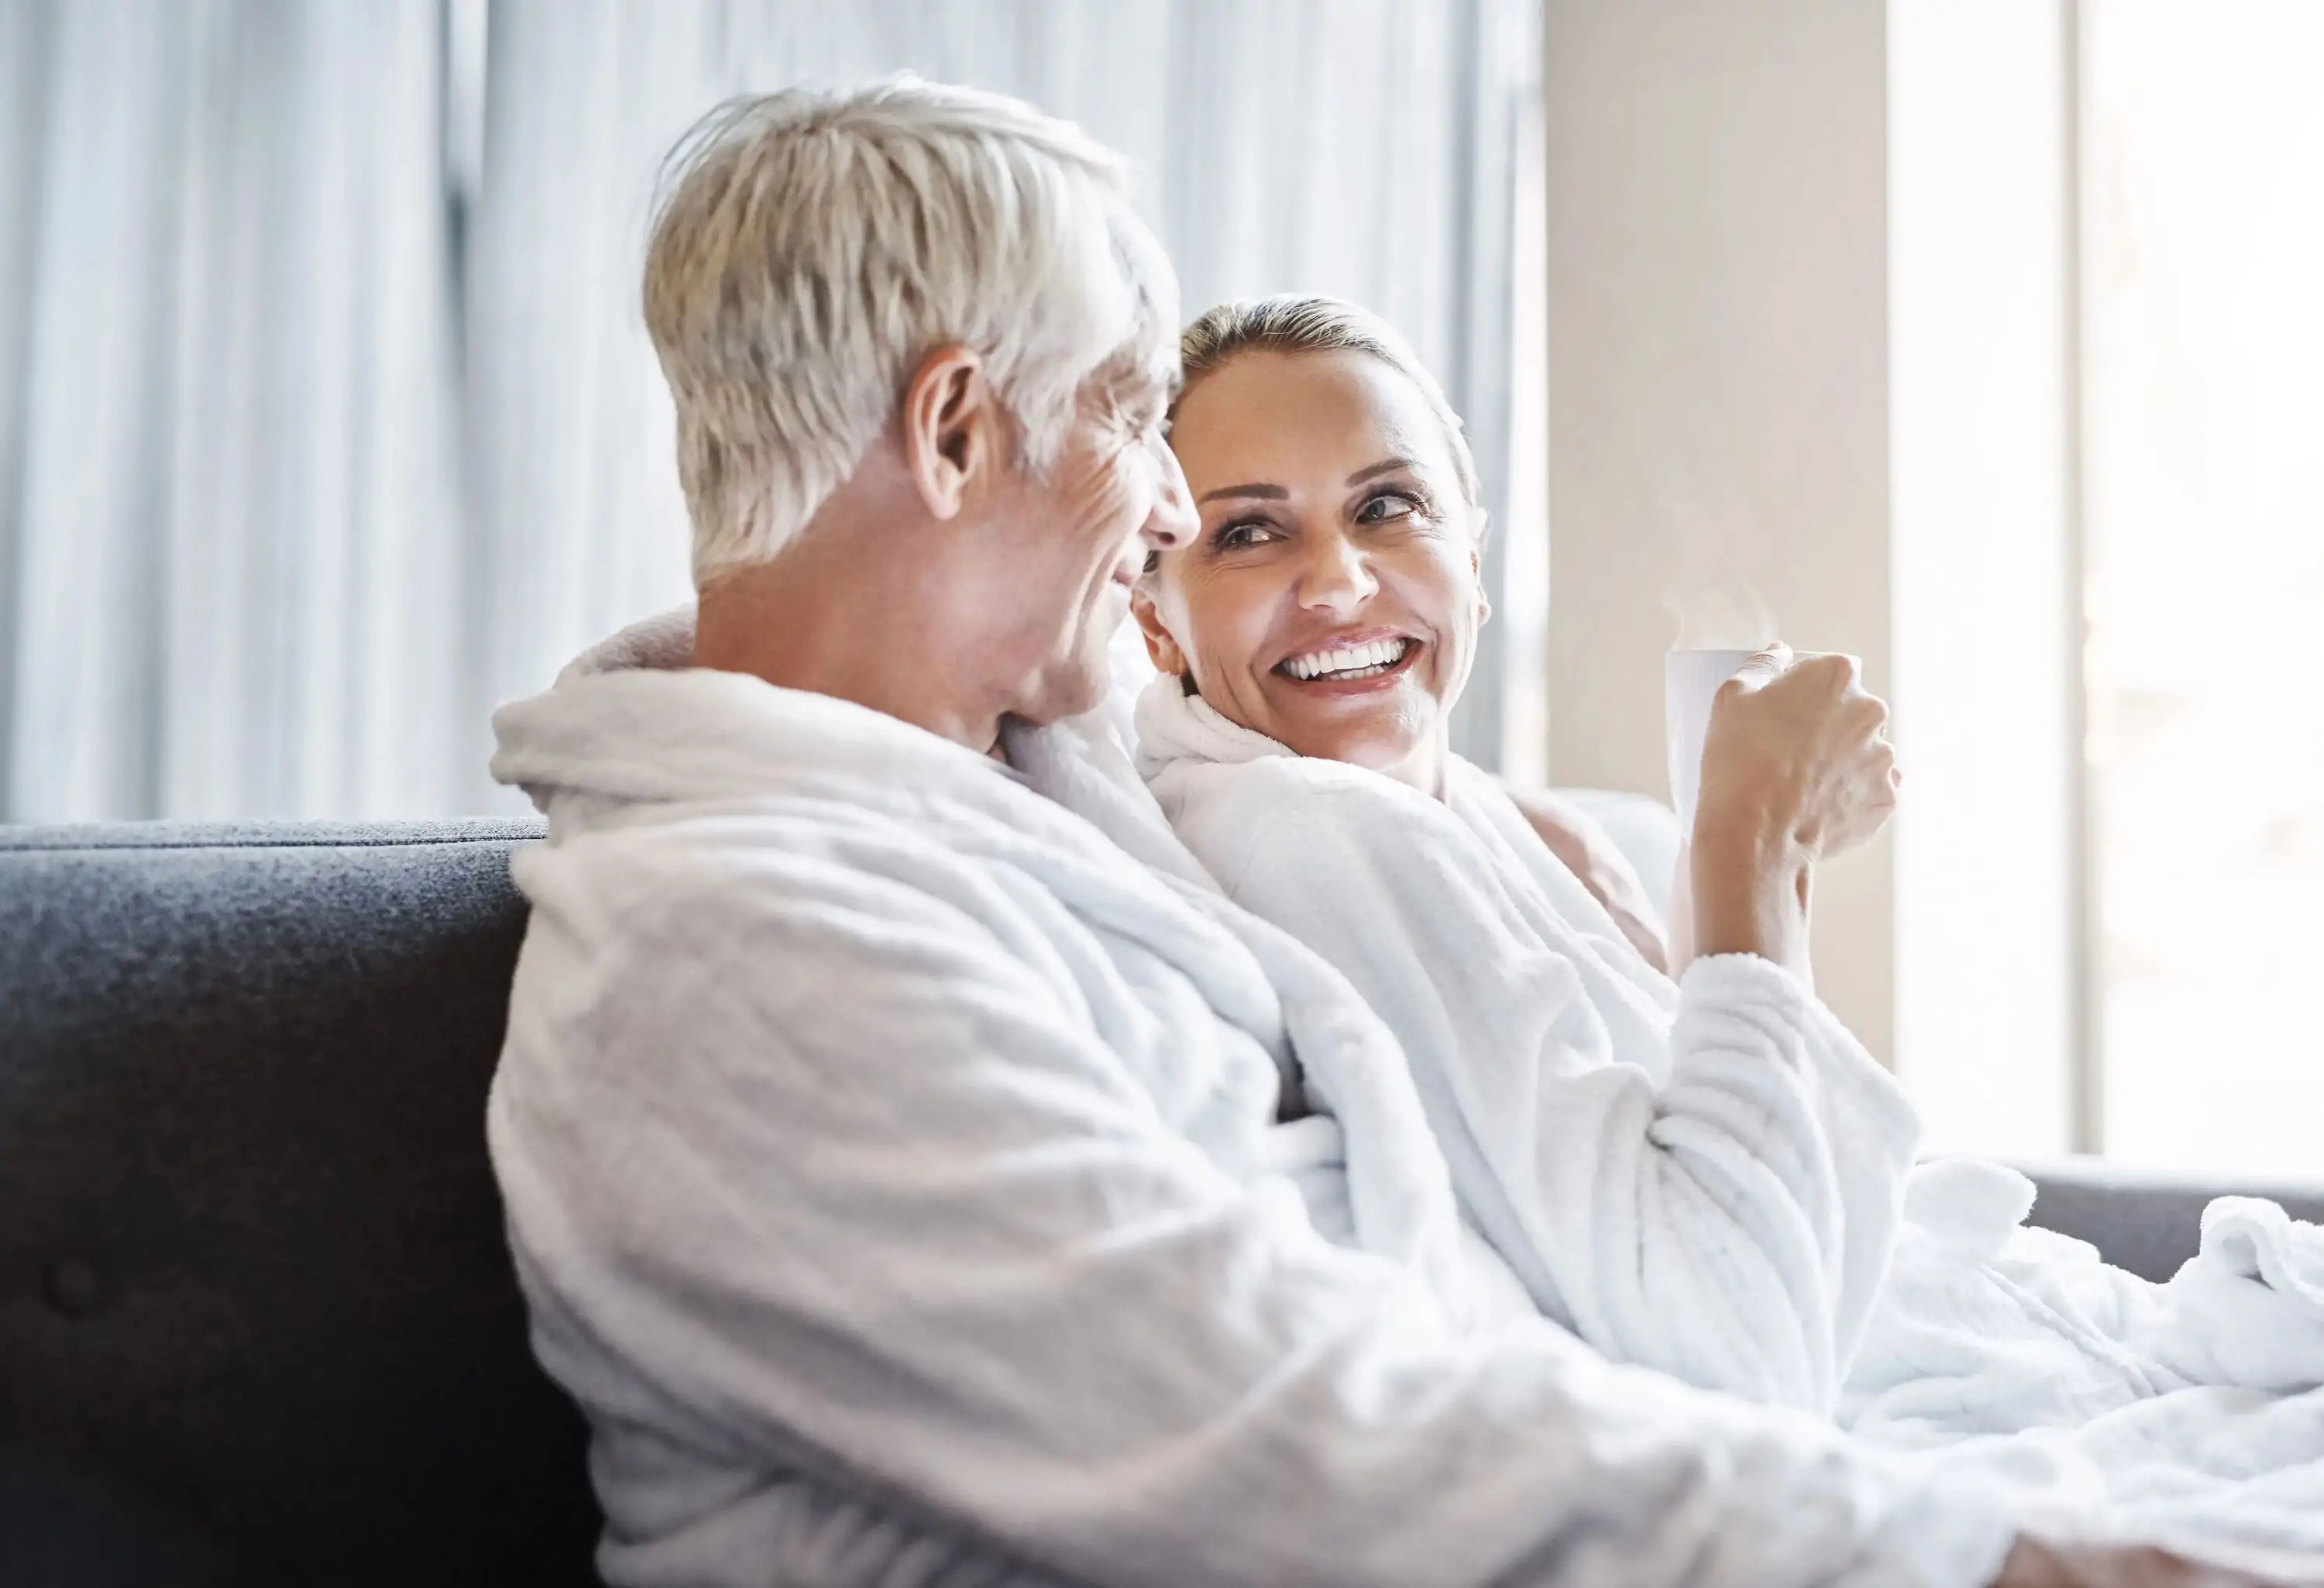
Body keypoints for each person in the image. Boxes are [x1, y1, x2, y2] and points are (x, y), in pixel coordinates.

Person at [485, 77, 2281, 1588]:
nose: (1178, 508)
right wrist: (1998, 1554)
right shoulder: (738, 956)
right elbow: (1302, 1435)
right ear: (956, 428)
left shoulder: (1018, 775)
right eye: (1130, 415)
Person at [1130, 294, 2324, 1563]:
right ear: (1155, 615)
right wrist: (1743, 843)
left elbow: (1721, 1161)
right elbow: (1734, 1340)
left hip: (2058, 1353)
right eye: (1250, 532)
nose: (1338, 579)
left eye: (1387, 506)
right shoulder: (1307, 835)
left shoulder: (1475, 823)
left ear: (1473, 555)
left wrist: (1774, 864)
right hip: (1960, 1438)